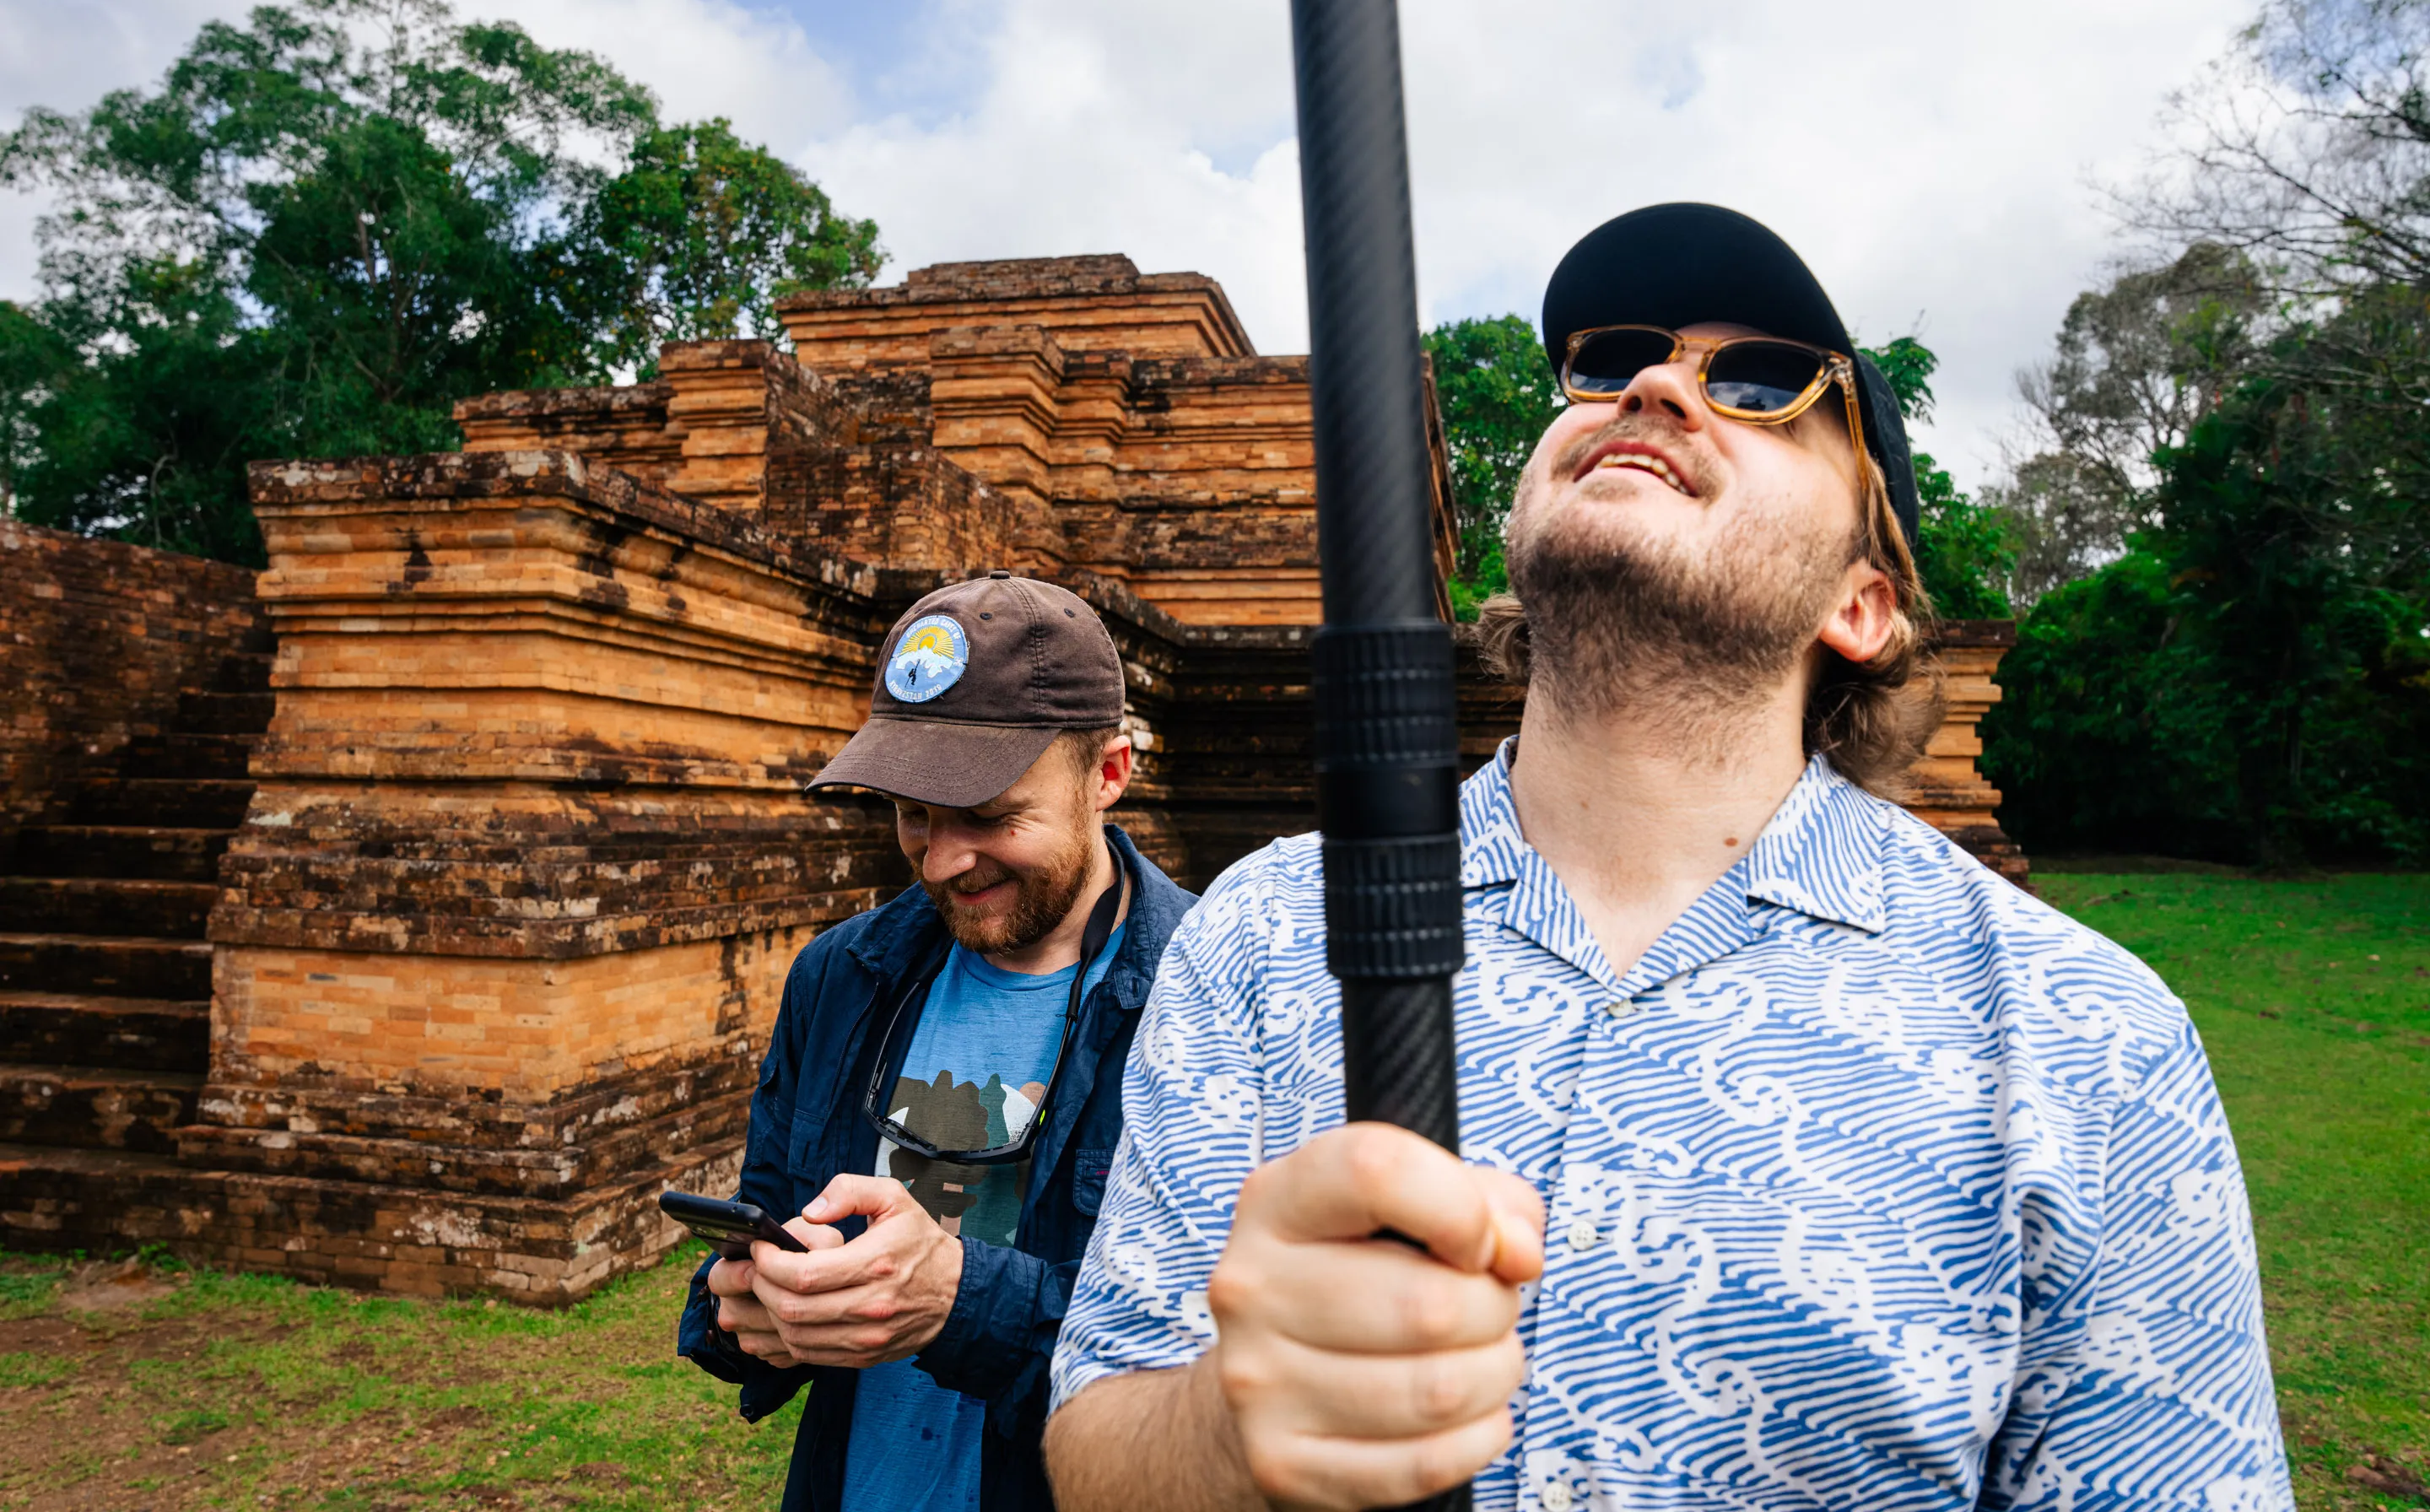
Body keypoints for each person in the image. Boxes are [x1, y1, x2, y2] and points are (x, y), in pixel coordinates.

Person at [1041, 204, 2292, 1512]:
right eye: (1612, 359)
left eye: (1759, 385)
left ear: (1859, 604)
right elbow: (1096, 1447)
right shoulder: (1265, 930)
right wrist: (1238, 1429)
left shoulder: (2084, 1036)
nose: (1649, 384)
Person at [678, 570, 1196, 1512]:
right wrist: (740, 1306)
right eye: (913, 812)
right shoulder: (841, 975)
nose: (943, 859)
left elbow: (1220, 1354)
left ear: (1109, 774)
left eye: (992, 816)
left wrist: (961, 1302)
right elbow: (767, 1211)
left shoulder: (1212, 994)